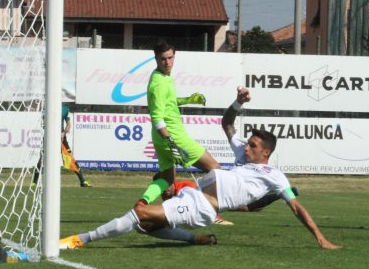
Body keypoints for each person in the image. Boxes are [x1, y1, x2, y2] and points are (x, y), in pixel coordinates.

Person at [60, 87, 341, 250]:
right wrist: (238, 103)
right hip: (193, 194)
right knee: (146, 226)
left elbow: (297, 208)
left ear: (266, 152)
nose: (246, 147)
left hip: (203, 206)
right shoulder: (243, 155)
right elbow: (227, 123)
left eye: (253, 145)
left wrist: (320, 237)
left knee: (140, 213)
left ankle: (79, 240)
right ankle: (197, 240)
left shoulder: (276, 177)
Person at [137, 40, 219, 206]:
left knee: (167, 181)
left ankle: (142, 204)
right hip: (172, 136)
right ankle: (209, 207)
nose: (167, 62)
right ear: (156, 59)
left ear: (174, 57)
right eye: (163, 59)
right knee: (216, 169)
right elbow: (157, 116)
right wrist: (170, 141)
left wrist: (188, 99)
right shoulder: (159, 83)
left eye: (170, 58)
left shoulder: (162, 76)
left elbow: (168, 102)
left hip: (162, 138)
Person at [32, 104, 91, 188]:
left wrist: (64, 133)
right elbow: (43, 123)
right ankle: (34, 182)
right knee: (41, 159)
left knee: (70, 158)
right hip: (49, 137)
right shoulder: (47, 108)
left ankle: (83, 181)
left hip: (61, 139)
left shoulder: (65, 109)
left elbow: (68, 125)